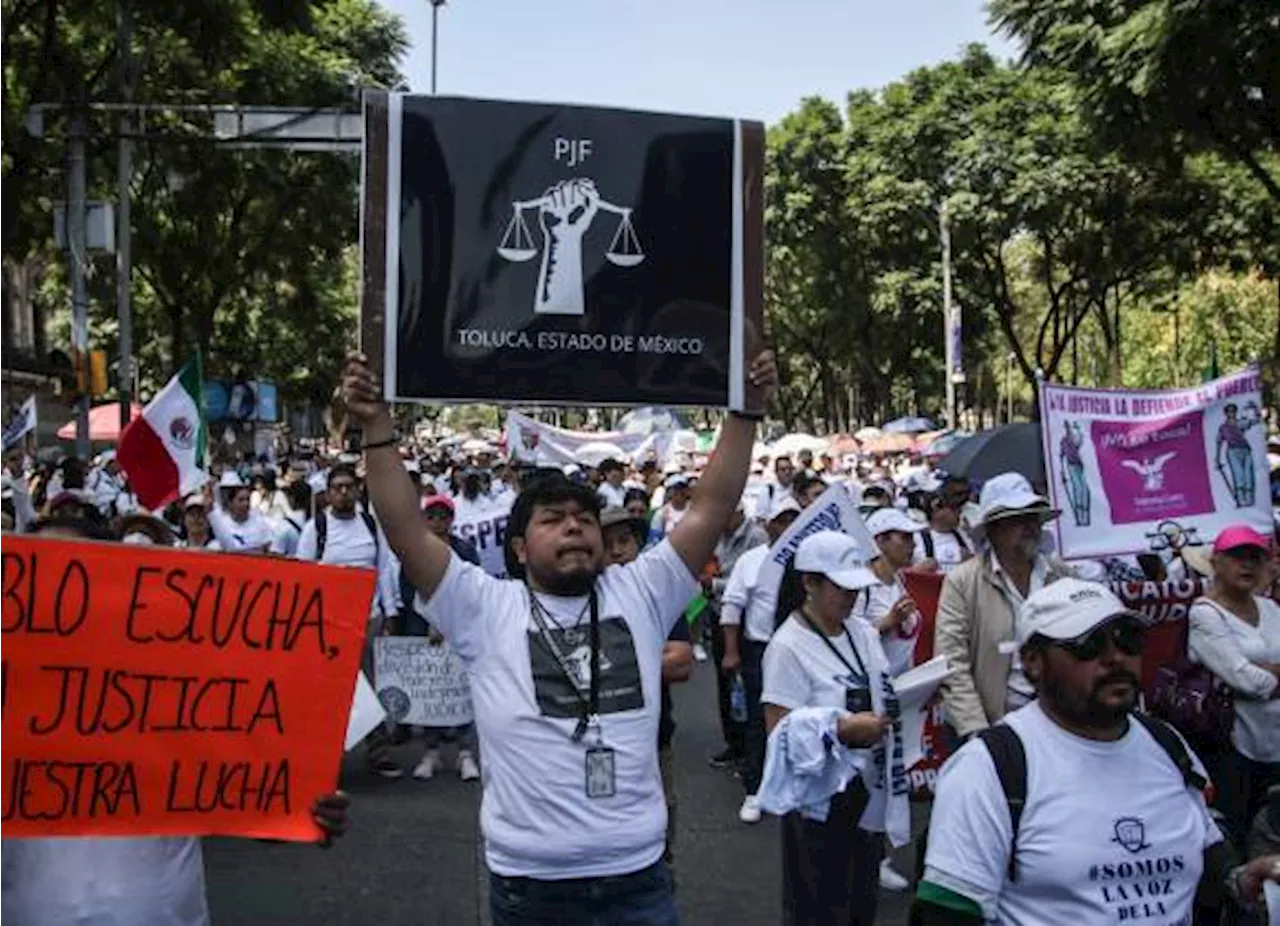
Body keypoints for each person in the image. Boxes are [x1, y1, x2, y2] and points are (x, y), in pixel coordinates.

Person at [341, 349, 777, 925]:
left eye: (585, 517)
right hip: (531, 886)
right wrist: (376, 426)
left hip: (639, 879)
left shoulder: (642, 591)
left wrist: (743, 414)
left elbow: (712, 505)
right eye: (552, 518)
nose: (574, 525)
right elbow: (404, 528)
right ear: (519, 550)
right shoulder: (484, 606)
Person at [914, 579, 1229, 925]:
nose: (1114, 658)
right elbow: (946, 913)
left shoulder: (1167, 745)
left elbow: (1209, 867)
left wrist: (1243, 882)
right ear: (1033, 661)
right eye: (1087, 645)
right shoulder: (990, 767)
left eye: (1128, 639)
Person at [762, 531, 897, 926]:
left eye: (856, 589)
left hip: (865, 788)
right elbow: (778, 731)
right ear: (809, 582)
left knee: (860, 902)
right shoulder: (787, 645)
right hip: (816, 802)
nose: (851, 598)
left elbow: (882, 684)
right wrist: (839, 729)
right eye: (841, 588)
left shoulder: (861, 631)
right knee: (818, 908)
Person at [1189, 525, 1280, 848]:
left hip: (1275, 739)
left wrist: (1264, 673)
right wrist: (1262, 675)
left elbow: (1251, 675)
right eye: (1238, 557)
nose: (1248, 565)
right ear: (1217, 563)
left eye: (1255, 557)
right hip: (1234, 743)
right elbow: (1243, 677)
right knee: (1239, 832)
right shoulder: (1204, 614)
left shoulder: (1269, 609)